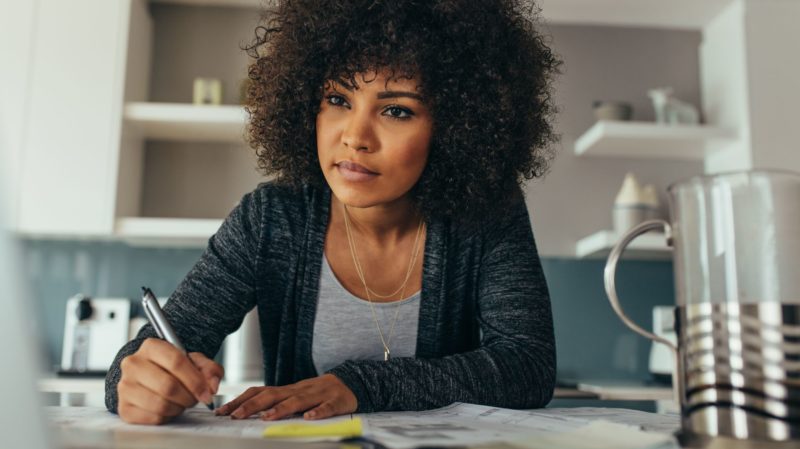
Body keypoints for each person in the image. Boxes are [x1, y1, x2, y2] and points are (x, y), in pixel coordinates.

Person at [105, 0, 560, 425]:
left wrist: (360, 385)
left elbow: (528, 366)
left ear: (457, 127)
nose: (355, 136)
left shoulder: (486, 217)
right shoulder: (271, 219)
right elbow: (131, 369)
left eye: (397, 110)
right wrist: (142, 380)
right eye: (339, 100)